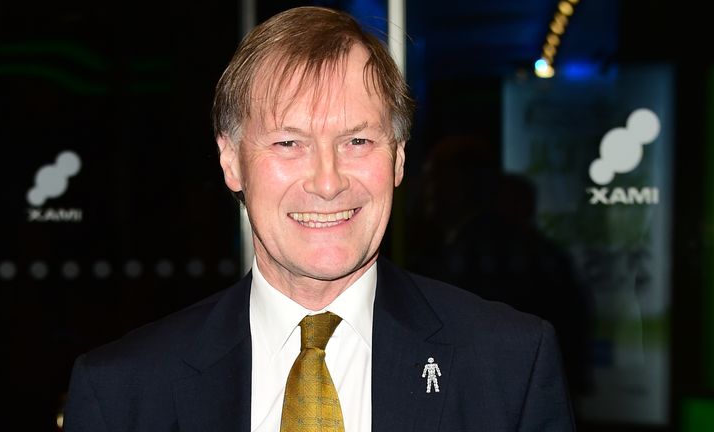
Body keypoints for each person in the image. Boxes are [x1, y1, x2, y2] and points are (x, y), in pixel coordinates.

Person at [63, 6, 575, 431]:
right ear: (230, 161)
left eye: (357, 141)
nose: (328, 181)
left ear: (397, 157)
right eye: (289, 142)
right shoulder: (121, 395)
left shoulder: (509, 369)